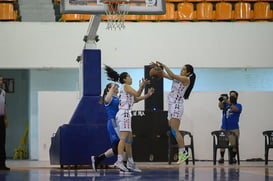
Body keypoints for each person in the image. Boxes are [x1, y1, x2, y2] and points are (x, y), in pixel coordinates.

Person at [104, 65, 154, 172]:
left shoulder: (125, 89)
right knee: (123, 139)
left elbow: (136, 98)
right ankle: (119, 161)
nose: (131, 78)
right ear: (125, 79)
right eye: (129, 76)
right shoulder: (125, 86)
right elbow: (137, 93)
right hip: (124, 114)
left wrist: (147, 95)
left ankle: (131, 163)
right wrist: (142, 86)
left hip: (126, 114)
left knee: (129, 140)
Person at [153, 61, 196, 165]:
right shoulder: (177, 78)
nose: (182, 70)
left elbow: (171, 75)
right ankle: (183, 152)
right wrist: (157, 68)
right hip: (171, 105)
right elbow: (164, 75)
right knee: (172, 129)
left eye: (184, 69)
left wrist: (164, 65)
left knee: (175, 130)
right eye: (182, 68)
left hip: (177, 105)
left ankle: (183, 153)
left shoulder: (186, 79)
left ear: (188, 73)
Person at [218, 90, 242, 164]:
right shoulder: (226, 104)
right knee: (222, 144)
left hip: (234, 128)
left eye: (233, 95)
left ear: (236, 97)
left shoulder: (239, 105)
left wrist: (229, 102)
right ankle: (222, 157)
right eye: (230, 95)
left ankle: (233, 158)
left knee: (234, 145)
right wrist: (220, 100)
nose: (231, 97)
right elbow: (220, 106)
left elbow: (235, 109)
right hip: (224, 128)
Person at [0, 75, 10, 170]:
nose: (1, 81)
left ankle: (2, 164)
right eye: (0, 79)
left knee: (2, 142)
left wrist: (6, 119)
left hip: (1, 118)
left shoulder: (3, 92)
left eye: (2, 79)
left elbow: (3, 107)